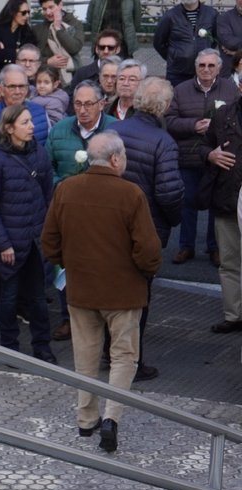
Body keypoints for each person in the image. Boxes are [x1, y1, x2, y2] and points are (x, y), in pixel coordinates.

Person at [41, 131, 161, 453]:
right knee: (124, 356)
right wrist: (145, 271)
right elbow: (149, 250)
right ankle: (111, 418)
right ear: (116, 159)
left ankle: (86, 419)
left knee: (85, 355)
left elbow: (49, 241)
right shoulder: (131, 194)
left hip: (81, 290)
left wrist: (70, 263)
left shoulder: (66, 189)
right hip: (123, 292)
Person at [0, 65, 50, 326]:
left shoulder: (40, 115)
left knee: (29, 262)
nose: (17, 91)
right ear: (1, 89)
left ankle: (24, 306)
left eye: (22, 86)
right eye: (12, 86)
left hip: (30, 208)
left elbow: (45, 156)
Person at [114, 76, 182, 381]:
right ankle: (132, 362)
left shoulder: (115, 130)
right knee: (138, 296)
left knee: (112, 291)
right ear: (165, 106)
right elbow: (169, 193)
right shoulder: (163, 142)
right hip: (146, 229)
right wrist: (174, 219)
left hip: (111, 226)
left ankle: (109, 351)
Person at [0, 103, 57, 362]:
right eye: (25, 122)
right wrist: (3, 244)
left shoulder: (40, 153)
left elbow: (47, 195)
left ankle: (42, 347)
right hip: (9, 243)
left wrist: (46, 233)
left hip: (34, 240)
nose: (32, 126)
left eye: (31, 121)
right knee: (9, 297)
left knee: (38, 298)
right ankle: (9, 348)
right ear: (9, 128)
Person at [47, 80, 117, 340]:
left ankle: (102, 317)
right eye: (78, 104)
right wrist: (64, 187)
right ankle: (69, 318)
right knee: (66, 264)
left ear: (101, 104)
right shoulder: (60, 130)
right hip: (68, 211)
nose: (83, 109)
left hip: (104, 213)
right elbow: (47, 167)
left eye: (89, 104)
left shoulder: (115, 130)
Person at [165, 49, 234, 266]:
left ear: (219, 68)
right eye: (202, 65)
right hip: (189, 156)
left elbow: (237, 121)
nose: (206, 69)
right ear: (195, 67)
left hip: (218, 156)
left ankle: (215, 247)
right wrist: (193, 126)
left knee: (216, 204)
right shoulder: (180, 90)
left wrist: (218, 128)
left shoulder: (230, 89)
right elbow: (169, 121)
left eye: (211, 65)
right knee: (188, 202)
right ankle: (186, 246)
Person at [200, 92, 242, 332]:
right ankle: (234, 315)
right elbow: (203, 146)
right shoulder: (224, 114)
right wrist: (211, 155)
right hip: (227, 199)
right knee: (229, 262)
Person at [154, 0, 219, 86]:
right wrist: (175, 57)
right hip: (178, 73)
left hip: (204, 70)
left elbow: (215, 38)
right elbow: (159, 42)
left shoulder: (211, 14)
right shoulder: (170, 15)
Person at [32, 0, 83, 86]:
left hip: (72, 76)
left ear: (60, 5)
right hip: (45, 79)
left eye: (51, 7)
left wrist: (58, 28)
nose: (48, 12)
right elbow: (32, 57)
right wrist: (47, 61)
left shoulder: (75, 24)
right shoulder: (37, 29)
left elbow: (74, 48)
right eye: (44, 9)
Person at [0, 0, 38, 78]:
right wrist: (16, 52)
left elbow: (29, 56)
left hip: (17, 76)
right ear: (13, 12)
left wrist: (5, 51)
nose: (27, 16)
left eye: (28, 12)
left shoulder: (28, 33)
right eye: (23, 13)